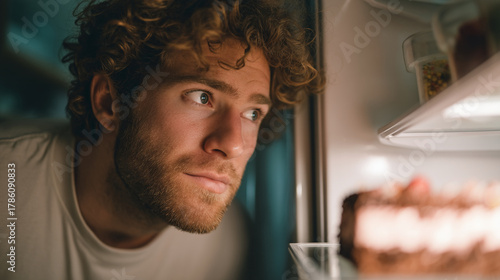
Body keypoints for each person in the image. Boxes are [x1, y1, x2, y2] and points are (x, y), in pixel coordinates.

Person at [0, 0, 321, 279]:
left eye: (253, 114)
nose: (234, 144)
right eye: (202, 96)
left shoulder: (229, 240)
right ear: (108, 102)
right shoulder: (8, 186)